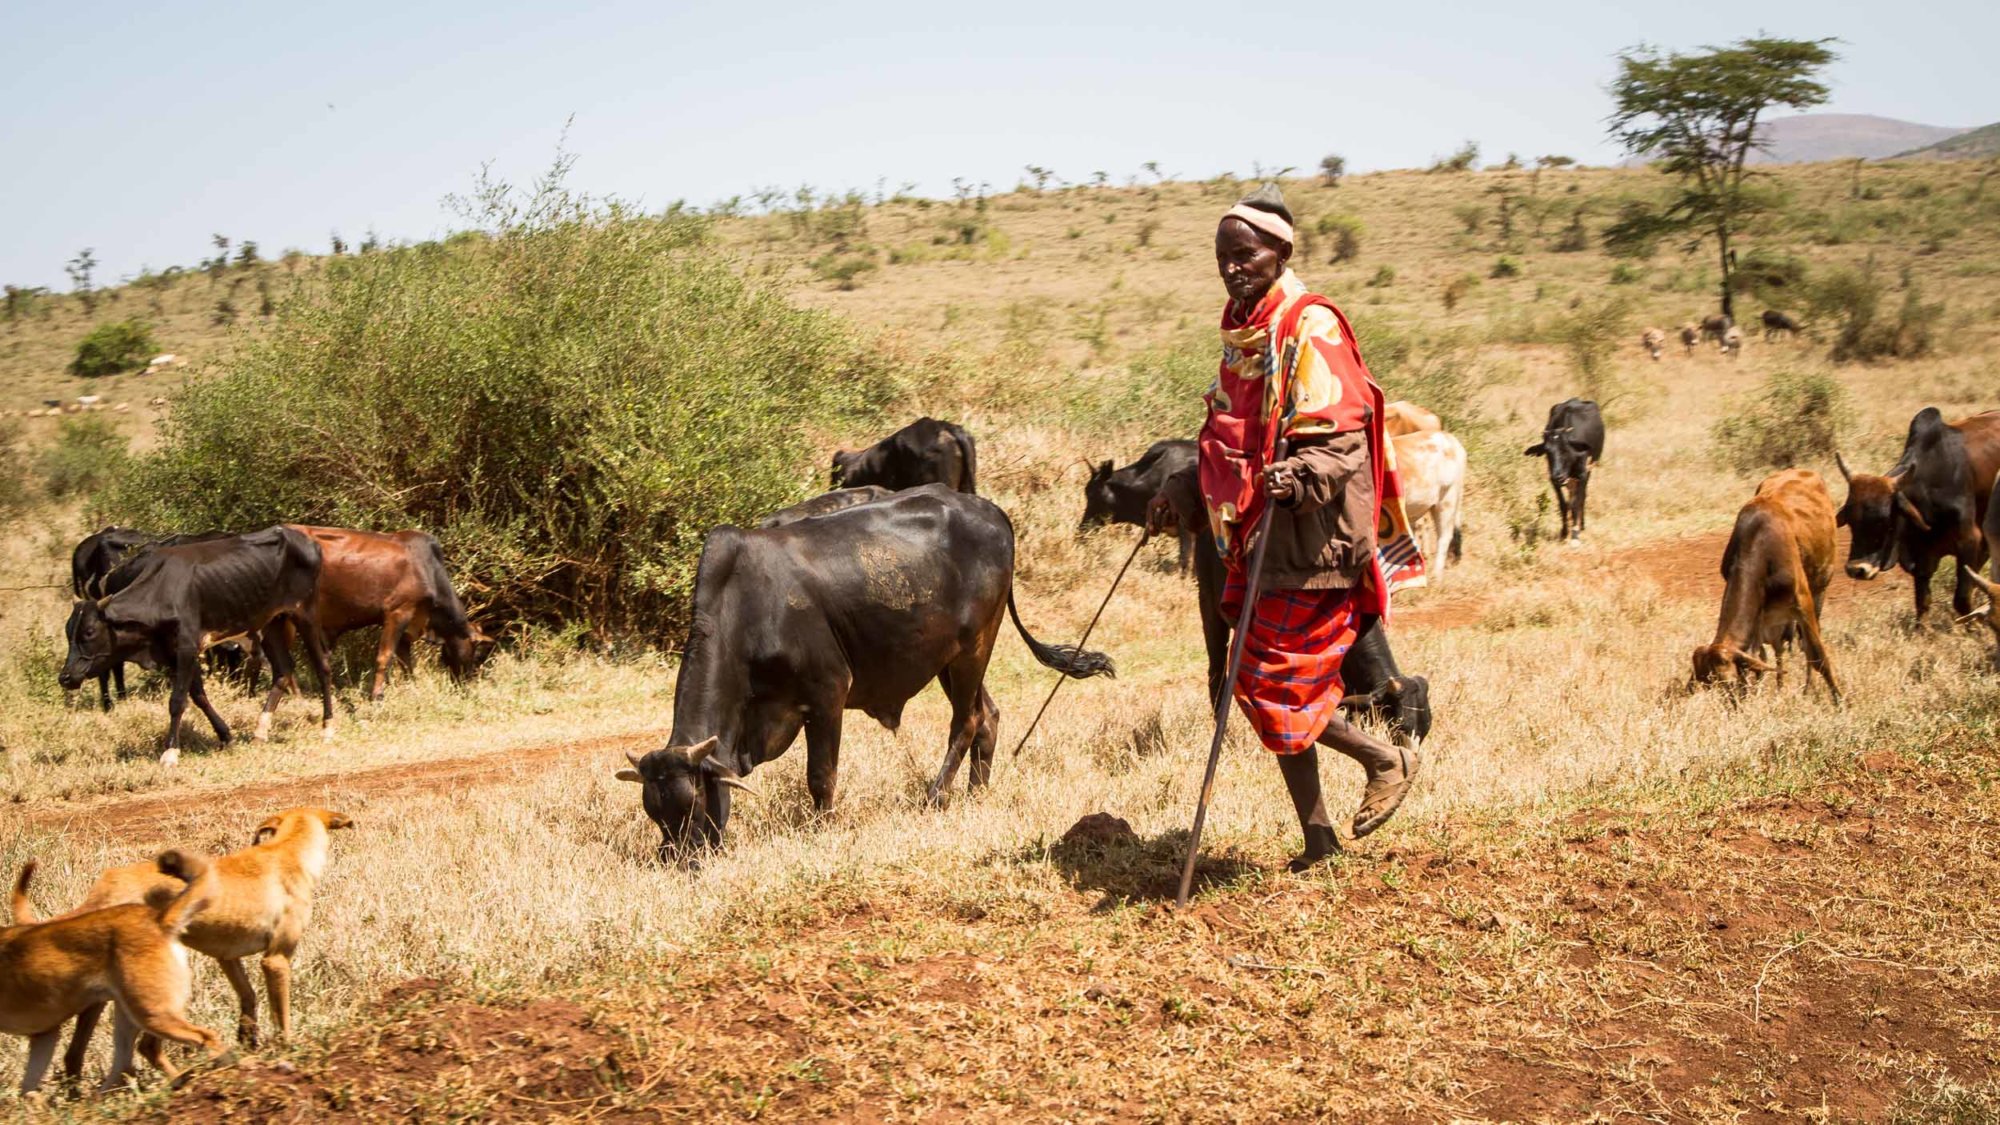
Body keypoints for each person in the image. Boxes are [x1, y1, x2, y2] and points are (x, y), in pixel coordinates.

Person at [1152, 183, 1426, 871]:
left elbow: (1342, 436)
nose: (1231, 267)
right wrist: (1180, 485)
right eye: (1223, 256)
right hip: (1256, 534)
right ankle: (1318, 839)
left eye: (1243, 255)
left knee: (1264, 680)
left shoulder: (1311, 326)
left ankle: (1385, 756)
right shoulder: (1243, 334)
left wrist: (1298, 476)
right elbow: (1224, 433)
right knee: (1257, 680)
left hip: (1312, 538)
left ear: (1279, 251)